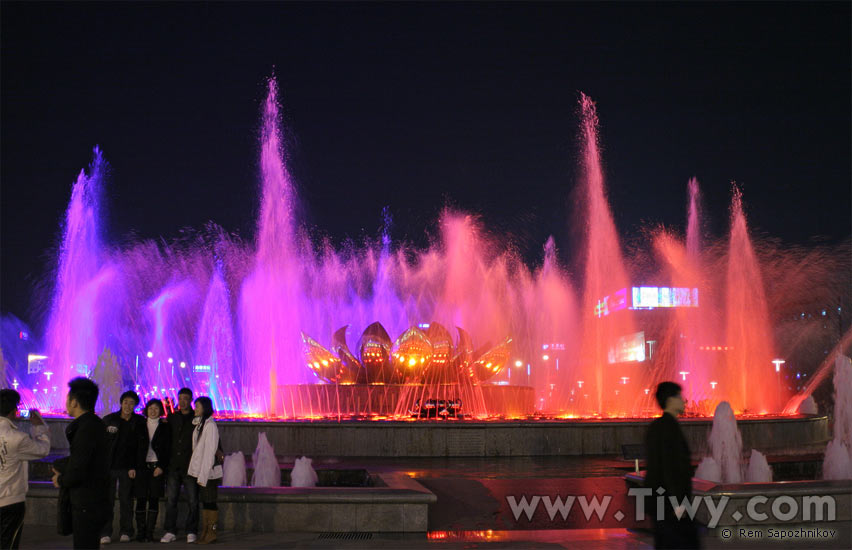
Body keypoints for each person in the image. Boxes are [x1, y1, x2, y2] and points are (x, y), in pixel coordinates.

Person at [51, 377, 110, 550]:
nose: (66, 402)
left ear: (74, 402)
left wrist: (60, 480)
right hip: (93, 500)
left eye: (67, 398)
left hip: (87, 502)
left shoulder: (86, 428)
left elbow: (80, 467)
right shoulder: (93, 424)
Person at [644, 381, 700, 549]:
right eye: (680, 397)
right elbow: (670, 469)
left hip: (660, 502)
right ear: (670, 400)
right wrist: (679, 505)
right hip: (670, 504)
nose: (684, 401)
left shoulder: (656, 426)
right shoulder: (670, 428)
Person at [0, 389, 50, 550]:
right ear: (14, 411)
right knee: (8, 544)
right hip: (10, 501)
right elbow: (43, 450)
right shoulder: (17, 438)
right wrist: (39, 428)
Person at [101, 390, 145, 544]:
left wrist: (135, 466)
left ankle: (126, 531)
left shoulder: (139, 422)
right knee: (107, 500)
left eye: (131, 403)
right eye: (126, 402)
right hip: (109, 467)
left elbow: (141, 447)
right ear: (121, 403)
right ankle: (105, 532)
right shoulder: (109, 420)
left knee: (126, 500)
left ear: (135, 405)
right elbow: (100, 444)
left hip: (127, 468)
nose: (128, 405)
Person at [160, 388, 199, 543]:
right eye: (180, 398)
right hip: (173, 466)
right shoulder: (172, 417)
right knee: (171, 500)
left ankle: (191, 530)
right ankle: (170, 530)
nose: (182, 401)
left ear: (190, 400)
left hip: (190, 465)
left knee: (193, 500)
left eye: (186, 398)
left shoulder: (196, 418)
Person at [134, 399, 171, 542]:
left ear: (160, 410)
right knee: (141, 499)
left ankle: (150, 532)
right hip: (142, 467)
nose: (153, 411)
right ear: (146, 410)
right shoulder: (139, 425)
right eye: (151, 408)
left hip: (157, 467)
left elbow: (168, 448)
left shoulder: (165, 427)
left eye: (156, 408)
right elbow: (133, 447)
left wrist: (161, 466)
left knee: (154, 499)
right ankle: (140, 532)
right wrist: (133, 466)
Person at [187, 397, 222, 545]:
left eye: (197, 406)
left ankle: (212, 532)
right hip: (202, 470)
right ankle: (206, 532)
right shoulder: (200, 424)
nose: (195, 409)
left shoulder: (210, 426)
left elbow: (210, 451)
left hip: (209, 473)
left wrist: (204, 475)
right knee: (206, 502)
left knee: (210, 502)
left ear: (205, 408)